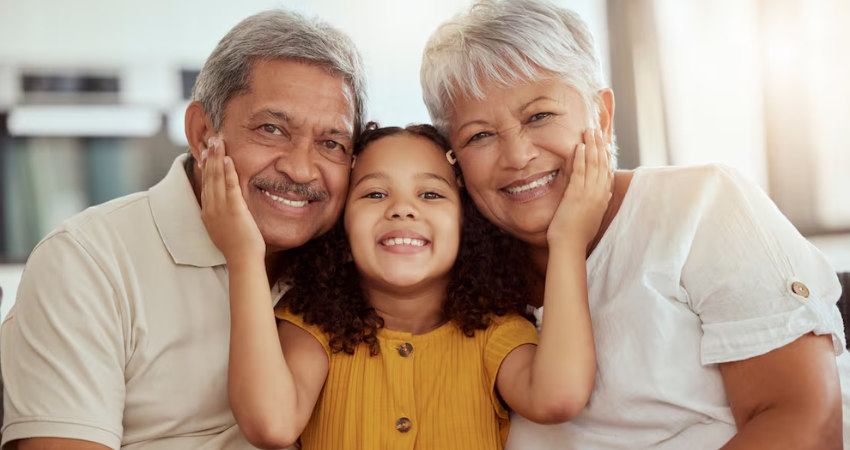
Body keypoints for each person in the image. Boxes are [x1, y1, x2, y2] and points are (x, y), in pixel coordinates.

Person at [420, 0, 848, 449]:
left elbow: (806, 425)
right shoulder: (462, 284)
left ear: (600, 117)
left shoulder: (700, 203)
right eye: (480, 136)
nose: (518, 156)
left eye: (539, 116)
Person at [1, 9, 366, 450]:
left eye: (331, 143)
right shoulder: (86, 262)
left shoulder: (357, 267)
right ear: (201, 133)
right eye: (272, 129)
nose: (303, 169)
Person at [198, 122, 612, 449]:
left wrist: (569, 241)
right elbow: (270, 425)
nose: (402, 210)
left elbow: (557, 396)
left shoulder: (495, 333)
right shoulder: (313, 327)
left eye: (431, 194)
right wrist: (244, 256)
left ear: (466, 226)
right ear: (342, 230)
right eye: (375, 193)